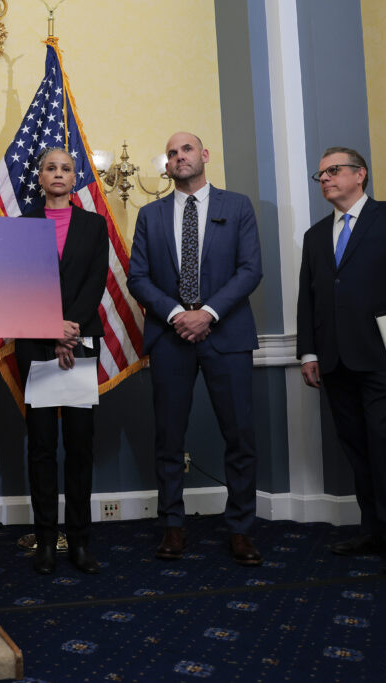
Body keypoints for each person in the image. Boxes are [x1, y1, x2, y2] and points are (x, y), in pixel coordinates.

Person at [297, 147, 386, 577]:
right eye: (320, 174)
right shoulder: (315, 235)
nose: (324, 178)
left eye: (333, 170)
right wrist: (308, 351)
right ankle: (374, 530)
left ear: (360, 175)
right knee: (357, 449)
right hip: (335, 361)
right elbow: (310, 299)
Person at [128, 132, 263, 566]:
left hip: (227, 334)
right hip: (170, 337)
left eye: (186, 150)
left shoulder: (237, 206)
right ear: (166, 166)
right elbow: (138, 278)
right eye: (171, 153)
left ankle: (241, 529)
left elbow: (250, 270)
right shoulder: (149, 215)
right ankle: (172, 525)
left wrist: (206, 313)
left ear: (203, 156)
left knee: (239, 436)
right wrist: (175, 315)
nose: (178, 157)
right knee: (169, 437)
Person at [15, 148, 108, 575]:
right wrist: (49, 329)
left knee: (80, 446)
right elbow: (20, 285)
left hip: (81, 342)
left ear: (76, 179)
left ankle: (80, 542)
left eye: (65, 168)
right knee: (42, 448)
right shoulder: (22, 226)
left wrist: (68, 330)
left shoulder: (94, 225)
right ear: (40, 177)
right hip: (35, 346)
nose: (58, 174)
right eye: (50, 167)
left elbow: (95, 283)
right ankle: (47, 543)